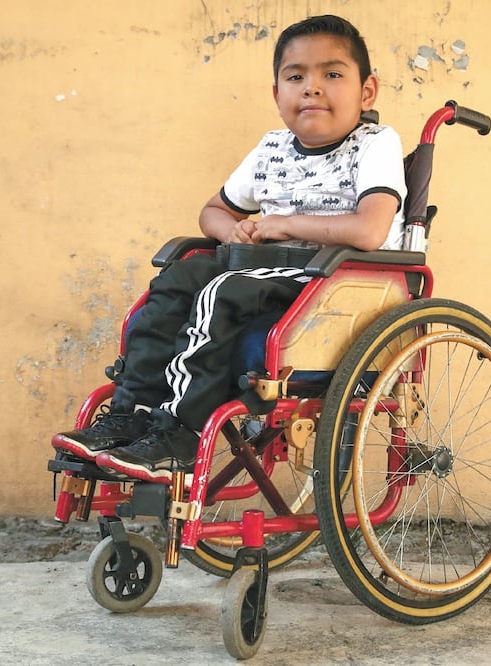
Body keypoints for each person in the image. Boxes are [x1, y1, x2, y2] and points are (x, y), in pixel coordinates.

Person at [53, 14, 406, 480]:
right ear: (276, 93)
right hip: (262, 267)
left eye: (332, 74)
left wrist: (284, 224)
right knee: (177, 278)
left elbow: (369, 231)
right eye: (295, 76)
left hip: (333, 279)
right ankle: (131, 415)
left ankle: (180, 431)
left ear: (367, 92)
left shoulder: (375, 143)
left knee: (223, 291)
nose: (312, 88)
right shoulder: (272, 149)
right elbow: (213, 212)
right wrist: (231, 232)